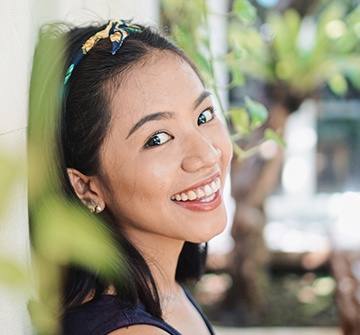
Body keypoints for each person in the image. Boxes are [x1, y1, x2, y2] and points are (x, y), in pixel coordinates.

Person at [30, 19, 232, 335]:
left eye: (203, 116)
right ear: (86, 187)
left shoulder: (161, 291)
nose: (207, 154)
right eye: (158, 139)